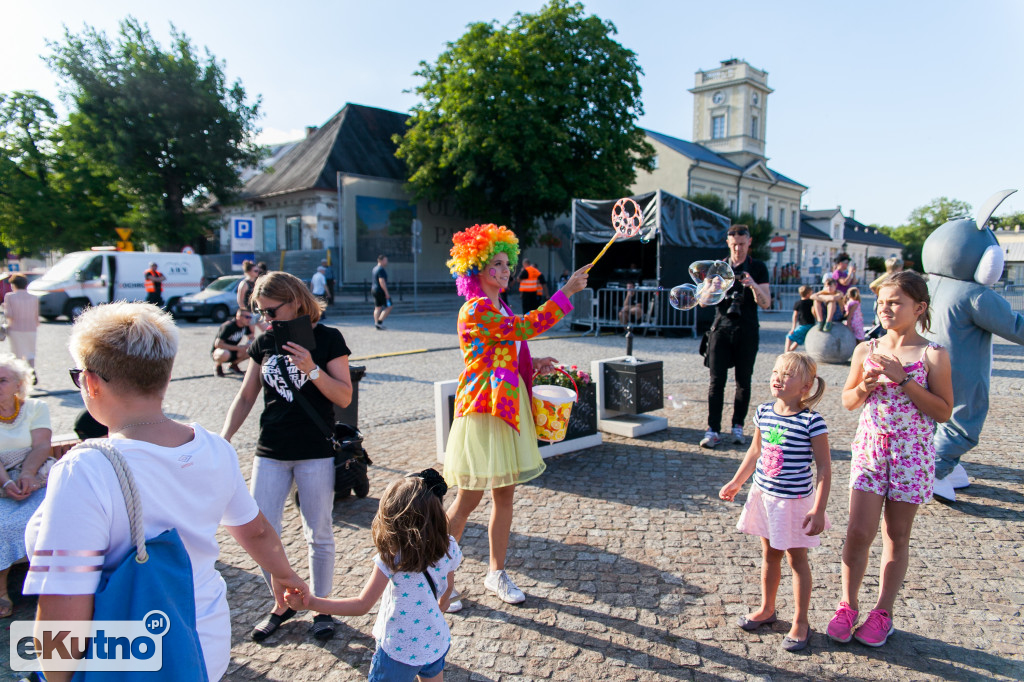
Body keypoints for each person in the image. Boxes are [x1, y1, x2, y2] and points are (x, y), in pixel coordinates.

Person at [23, 302, 308, 681]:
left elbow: (62, 603)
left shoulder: (84, 470)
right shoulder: (212, 448)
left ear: (90, 382)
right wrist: (286, 576)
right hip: (203, 642)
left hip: (127, 655)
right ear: (167, 374)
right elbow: (254, 530)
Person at [443, 223, 589, 609]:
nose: (506, 270)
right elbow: (524, 327)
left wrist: (534, 361)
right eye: (497, 263)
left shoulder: (500, 305)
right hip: (483, 409)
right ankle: (438, 578)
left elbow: (509, 346)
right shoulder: (475, 309)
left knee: (503, 496)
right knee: (467, 500)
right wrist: (565, 293)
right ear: (475, 269)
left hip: (505, 406)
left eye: (507, 262)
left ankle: (496, 572)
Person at [221, 271, 353, 642]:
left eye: (271, 311)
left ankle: (322, 606)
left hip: (314, 451)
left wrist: (310, 368)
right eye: (261, 313)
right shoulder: (264, 342)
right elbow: (247, 396)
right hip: (271, 449)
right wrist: (224, 437)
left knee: (319, 532)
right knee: (262, 534)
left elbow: (343, 397)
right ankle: (284, 602)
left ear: (294, 300)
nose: (266, 320)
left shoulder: (328, 338)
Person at [829, 271, 953, 647]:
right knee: (858, 531)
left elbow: (944, 411)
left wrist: (904, 380)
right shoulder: (865, 349)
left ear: (919, 308)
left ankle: (883, 612)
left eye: (895, 302)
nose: (885, 308)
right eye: (881, 302)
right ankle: (847, 605)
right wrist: (865, 384)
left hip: (911, 454)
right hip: (871, 449)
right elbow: (848, 401)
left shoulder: (934, 354)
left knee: (896, 536)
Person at [284, 470, 462, 682]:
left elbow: (361, 605)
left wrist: (310, 603)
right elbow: (448, 589)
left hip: (398, 650)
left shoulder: (392, 559)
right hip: (435, 640)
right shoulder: (449, 545)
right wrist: (439, 606)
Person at [719, 351, 831, 652]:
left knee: (797, 560)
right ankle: (767, 608)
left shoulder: (812, 421)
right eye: (775, 372)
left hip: (794, 502)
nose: (777, 378)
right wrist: (737, 481)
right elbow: (755, 452)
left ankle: (801, 621)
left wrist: (819, 508)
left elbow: (824, 467)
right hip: (766, 496)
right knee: (769, 555)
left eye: (787, 374)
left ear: (806, 387)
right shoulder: (764, 412)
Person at [701, 224, 771, 449]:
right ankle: (712, 429)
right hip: (721, 329)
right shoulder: (718, 268)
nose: (738, 249)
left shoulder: (758, 267)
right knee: (716, 382)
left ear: (749, 242)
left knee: (743, 381)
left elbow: (766, 302)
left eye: (742, 244)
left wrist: (752, 286)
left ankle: (737, 426)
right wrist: (715, 288)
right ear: (728, 244)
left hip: (747, 330)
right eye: (734, 245)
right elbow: (703, 301)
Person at [0, 354, 50, 619]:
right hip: (2, 479)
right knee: (3, 524)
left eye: (2, 381)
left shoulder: (35, 408)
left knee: (56, 515)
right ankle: (2, 591)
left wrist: (29, 475)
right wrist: (7, 482)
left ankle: (54, 588)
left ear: (20, 384)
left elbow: (42, 445)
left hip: (34, 474)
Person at [4, 274, 39, 380]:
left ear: (14, 285)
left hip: (15, 329)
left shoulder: (10, 297)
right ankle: (32, 371)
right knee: (31, 353)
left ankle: (19, 376)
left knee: (17, 354)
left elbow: (9, 315)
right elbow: (36, 316)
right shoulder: (34, 297)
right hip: (31, 328)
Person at [866, 257, 903, 340]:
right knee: (881, 322)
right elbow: (872, 285)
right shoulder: (889, 276)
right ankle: (874, 336)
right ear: (896, 267)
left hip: (885, 301)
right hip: (882, 302)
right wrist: (881, 295)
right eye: (900, 267)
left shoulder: (892, 276)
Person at [212, 308, 255, 377]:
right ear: (239, 317)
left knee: (252, 351)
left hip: (234, 350)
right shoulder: (228, 326)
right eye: (247, 317)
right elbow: (218, 344)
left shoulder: (245, 326)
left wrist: (248, 344)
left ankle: (233, 365)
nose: (249, 319)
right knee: (224, 353)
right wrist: (237, 348)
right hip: (221, 350)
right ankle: (218, 366)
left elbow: (252, 338)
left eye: (250, 317)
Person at [785, 286, 815, 351]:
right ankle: (789, 352)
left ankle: (786, 353)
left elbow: (795, 315)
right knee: (798, 340)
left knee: (789, 337)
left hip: (803, 325)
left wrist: (793, 327)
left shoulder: (798, 303)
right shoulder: (812, 302)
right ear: (808, 294)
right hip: (811, 324)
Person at [372, 254, 392, 330]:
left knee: (377, 307)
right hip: (380, 290)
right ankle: (379, 322)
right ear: (381, 260)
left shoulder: (374, 268)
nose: (386, 262)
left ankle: (376, 323)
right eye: (385, 260)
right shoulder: (381, 270)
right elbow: (381, 281)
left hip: (374, 289)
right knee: (389, 306)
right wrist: (386, 292)